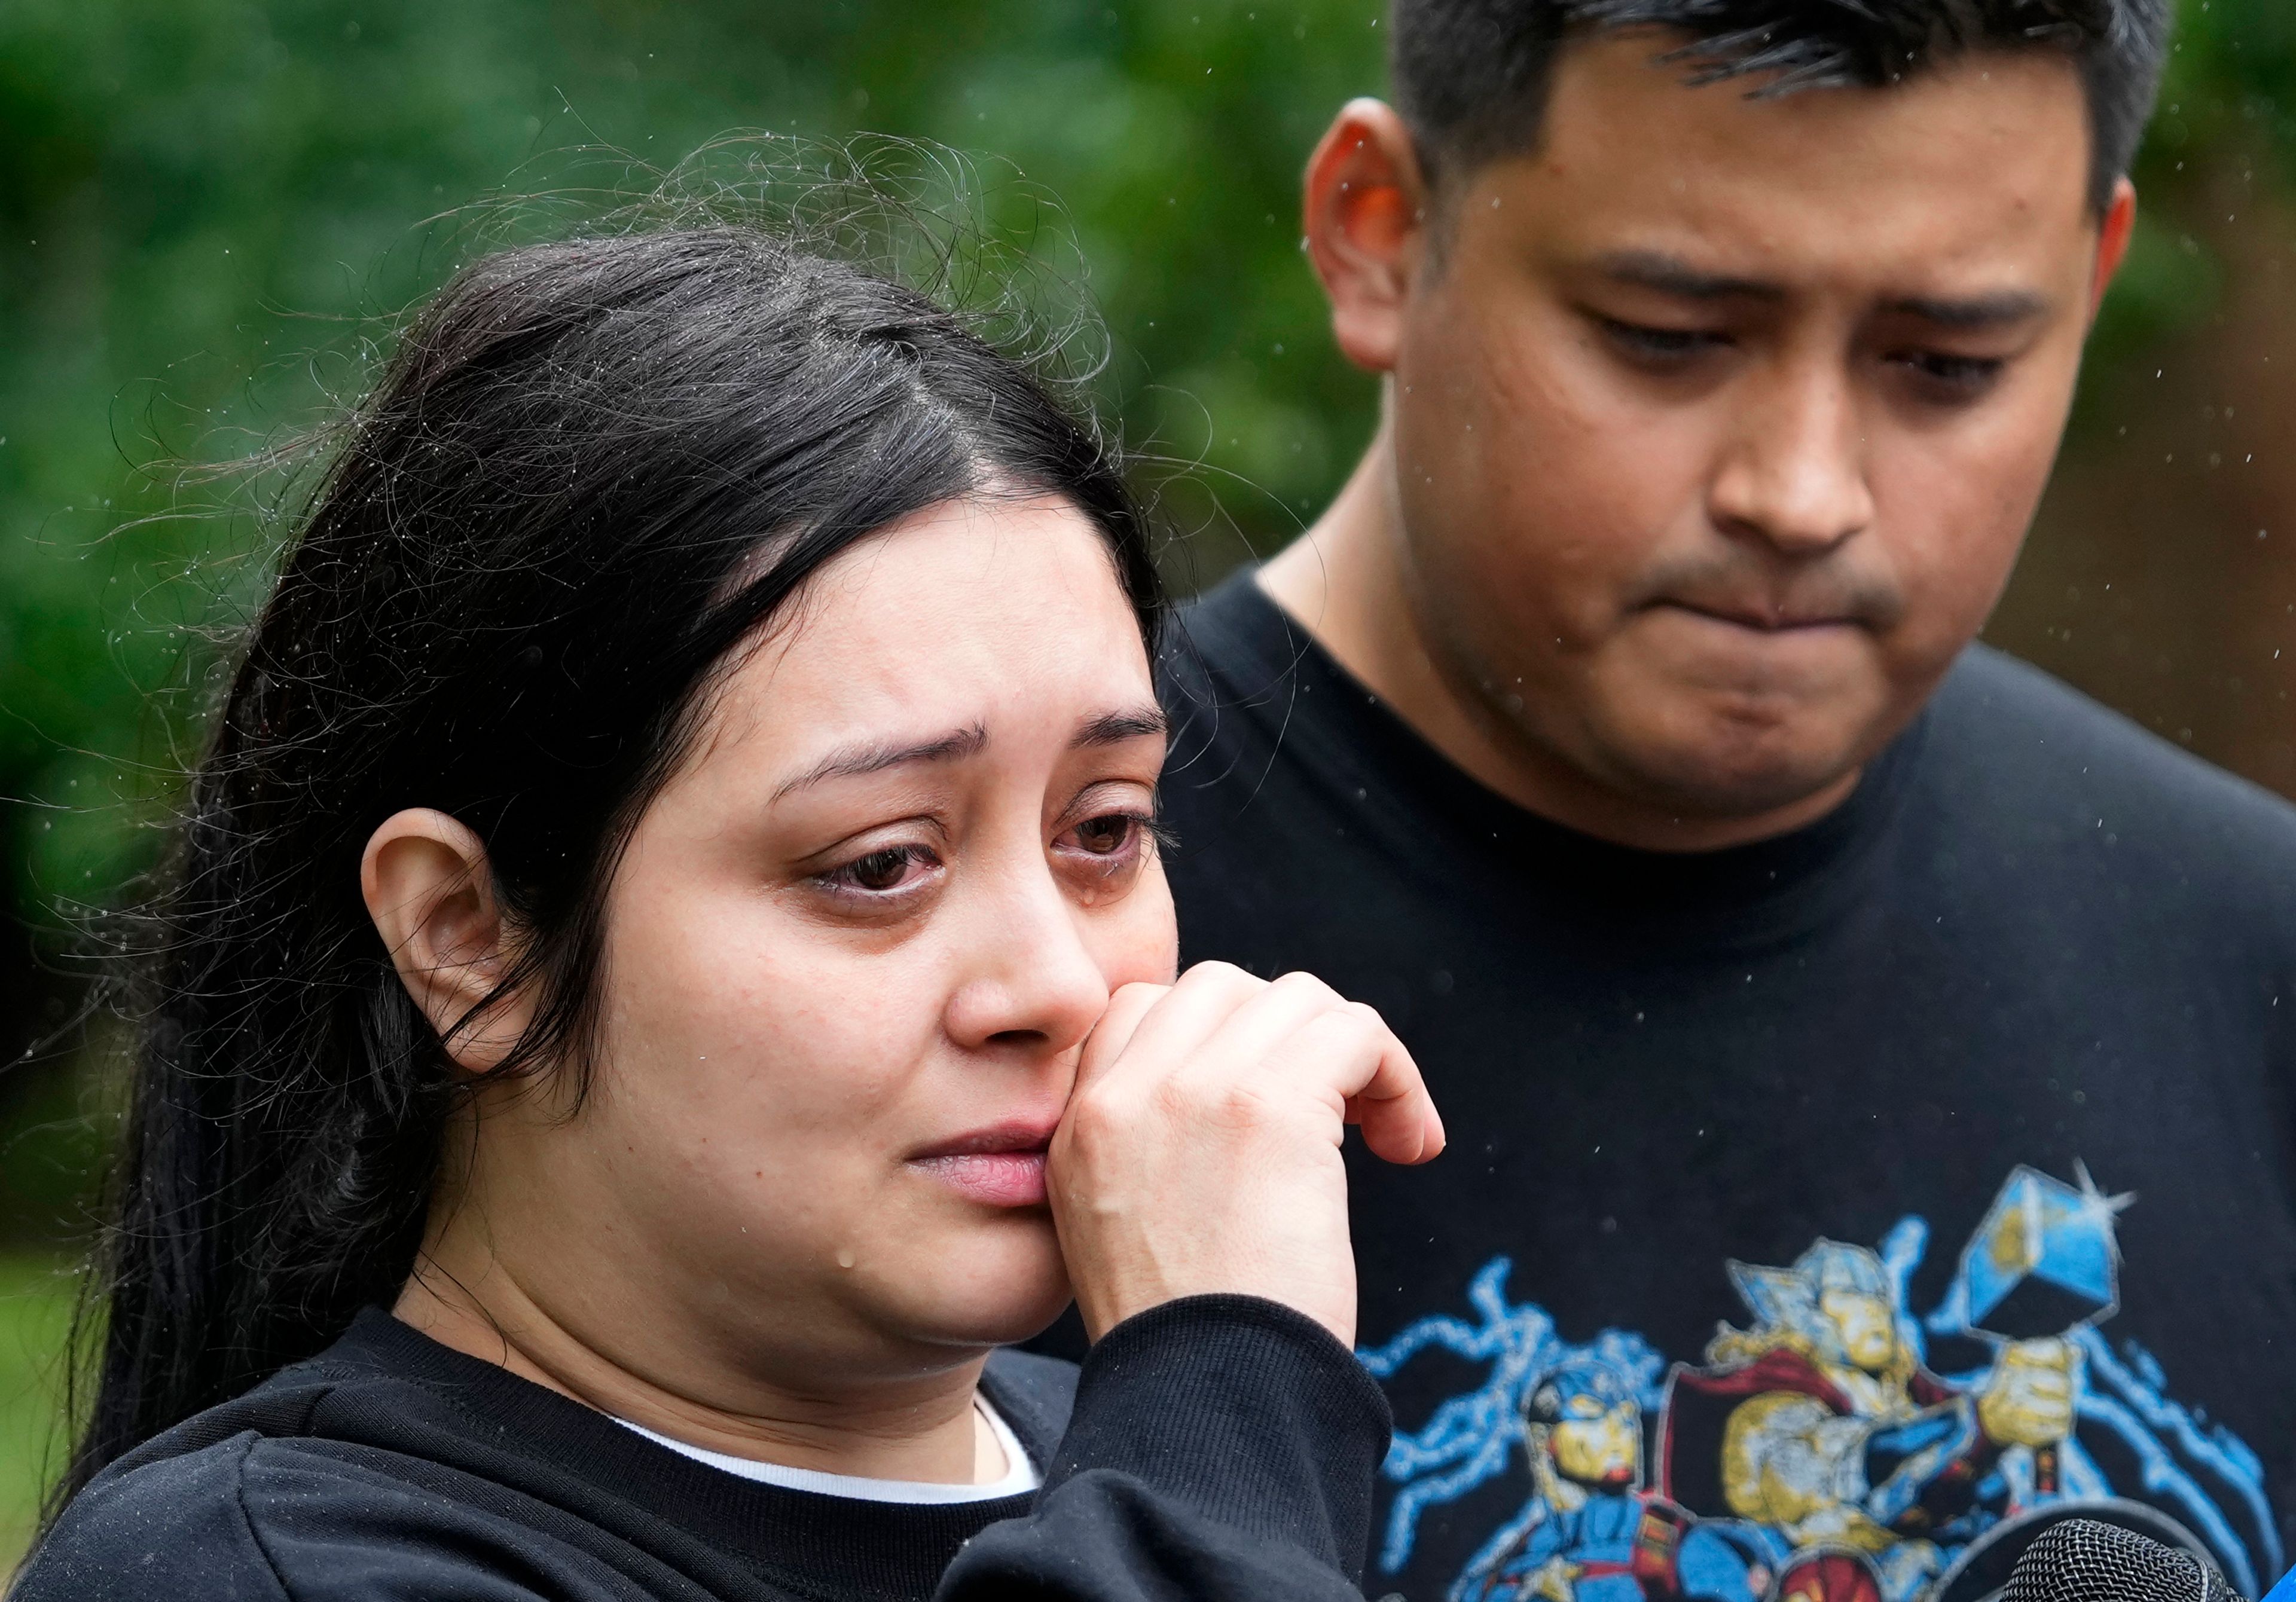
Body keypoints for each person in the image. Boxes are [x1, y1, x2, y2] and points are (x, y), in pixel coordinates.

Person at [12, 225, 1448, 1602]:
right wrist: (1229, 1388)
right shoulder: (263, 1564)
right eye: (883, 861)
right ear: (467, 934)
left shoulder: (1161, 1457)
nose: (1058, 983)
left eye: (1104, 829)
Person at [1140, 2, 2296, 1598]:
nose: (1802, 492)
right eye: (1667, 338)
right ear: (1380, 235)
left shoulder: (2257, 962)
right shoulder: (999, 983)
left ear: (2091, 285)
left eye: (1948, 365)